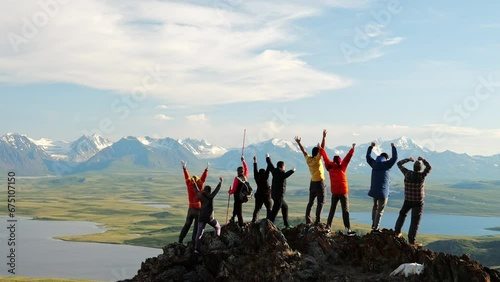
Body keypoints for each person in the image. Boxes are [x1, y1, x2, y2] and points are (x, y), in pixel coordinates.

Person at [320, 131, 356, 235]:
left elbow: (325, 157)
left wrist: (321, 148)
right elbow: (348, 158)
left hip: (335, 192)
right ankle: (348, 229)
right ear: (339, 161)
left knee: (332, 210)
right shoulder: (342, 167)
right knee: (345, 210)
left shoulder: (330, 167)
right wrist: (352, 149)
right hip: (343, 191)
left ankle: (328, 227)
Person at [394, 156, 432, 247]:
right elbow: (429, 167)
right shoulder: (422, 175)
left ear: (413, 167)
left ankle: (397, 232)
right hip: (418, 202)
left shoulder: (407, 173)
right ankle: (411, 241)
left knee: (402, 214)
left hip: (408, 200)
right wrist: (423, 160)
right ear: (420, 168)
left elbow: (399, 164)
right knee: (415, 221)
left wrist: (408, 160)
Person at [295, 132, 326, 225]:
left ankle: (308, 219)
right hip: (320, 183)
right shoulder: (317, 159)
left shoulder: (309, 159)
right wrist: (324, 137)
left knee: (311, 202)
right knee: (320, 202)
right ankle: (317, 220)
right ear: (317, 153)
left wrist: (299, 143)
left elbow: (304, 151)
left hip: (312, 183)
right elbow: (322, 149)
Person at [366, 142, 398, 233]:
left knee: (375, 207)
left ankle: (373, 225)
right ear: (386, 158)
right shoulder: (387, 164)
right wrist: (393, 147)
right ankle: (376, 228)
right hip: (383, 191)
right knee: (380, 210)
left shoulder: (374, 164)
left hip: (374, 190)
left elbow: (368, 157)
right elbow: (395, 158)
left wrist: (371, 147)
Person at [178, 160, 209, 244]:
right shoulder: (199, 185)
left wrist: (184, 168)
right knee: (196, 227)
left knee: (187, 225)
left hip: (190, 209)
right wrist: (206, 170)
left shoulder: (188, 184)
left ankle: (180, 240)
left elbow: (186, 177)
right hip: (198, 210)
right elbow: (203, 178)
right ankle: (193, 242)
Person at [193, 176, 223, 254]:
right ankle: (217, 242)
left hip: (201, 217)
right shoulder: (211, 196)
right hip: (210, 218)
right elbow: (216, 191)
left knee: (199, 233)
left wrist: (194, 183)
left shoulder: (200, 195)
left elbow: (196, 191)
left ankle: (197, 249)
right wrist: (220, 183)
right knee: (218, 227)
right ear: (209, 191)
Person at [266, 153, 295, 228]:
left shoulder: (274, 171)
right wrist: (292, 171)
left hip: (274, 195)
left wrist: (267, 157)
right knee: (274, 212)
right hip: (279, 196)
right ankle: (269, 225)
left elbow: (269, 164)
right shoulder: (281, 173)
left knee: (285, 207)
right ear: (282, 166)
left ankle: (286, 224)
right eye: (284, 166)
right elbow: (286, 175)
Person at [228, 156, 248, 227]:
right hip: (243, 197)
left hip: (237, 197)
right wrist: (243, 161)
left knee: (238, 211)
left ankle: (241, 225)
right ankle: (233, 218)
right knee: (236, 207)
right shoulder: (245, 177)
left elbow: (234, 189)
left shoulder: (237, 179)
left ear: (238, 172)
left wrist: (230, 192)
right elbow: (246, 169)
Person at [251, 156, 272, 223]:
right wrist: (268, 160)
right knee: (269, 209)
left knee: (257, 209)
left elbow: (255, 170)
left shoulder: (257, 177)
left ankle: (254, 221)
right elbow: (268, 169)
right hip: (267, 196)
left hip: (259, 195)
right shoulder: (265, 177)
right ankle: (268, 221)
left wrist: (255, 161)